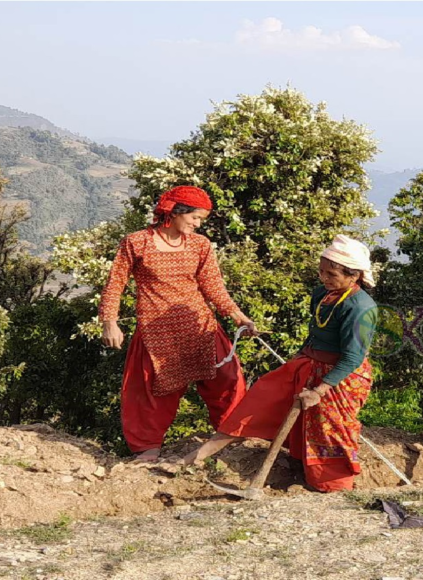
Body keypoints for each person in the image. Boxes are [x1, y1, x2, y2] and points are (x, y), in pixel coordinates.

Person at [183, 235, 379, 493]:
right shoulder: (322, 294)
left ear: (354, 276)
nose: (324, 279)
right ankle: (197, 457)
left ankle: (333, 489)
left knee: (327, 432)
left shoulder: (361, 308)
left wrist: (319, 390)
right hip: (307, 364)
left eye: (331, 274)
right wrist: (299, 361)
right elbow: (315, 332)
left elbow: (353, 357)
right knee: (259, 401)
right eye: (321, 272)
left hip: (339, 378)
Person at [99, 185, 257, 462]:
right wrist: (109, 322)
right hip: (156, 331)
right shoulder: (137, 242)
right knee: (151, 393)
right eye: (195, 218)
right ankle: (147, 451)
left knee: (228, 380)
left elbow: (213, 288)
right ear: (175, 211)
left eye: (201, 221)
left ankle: (231, 437)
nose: (197, 225)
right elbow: (115, 284)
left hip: (200, 326)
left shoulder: (200, 245)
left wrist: (239, 317)